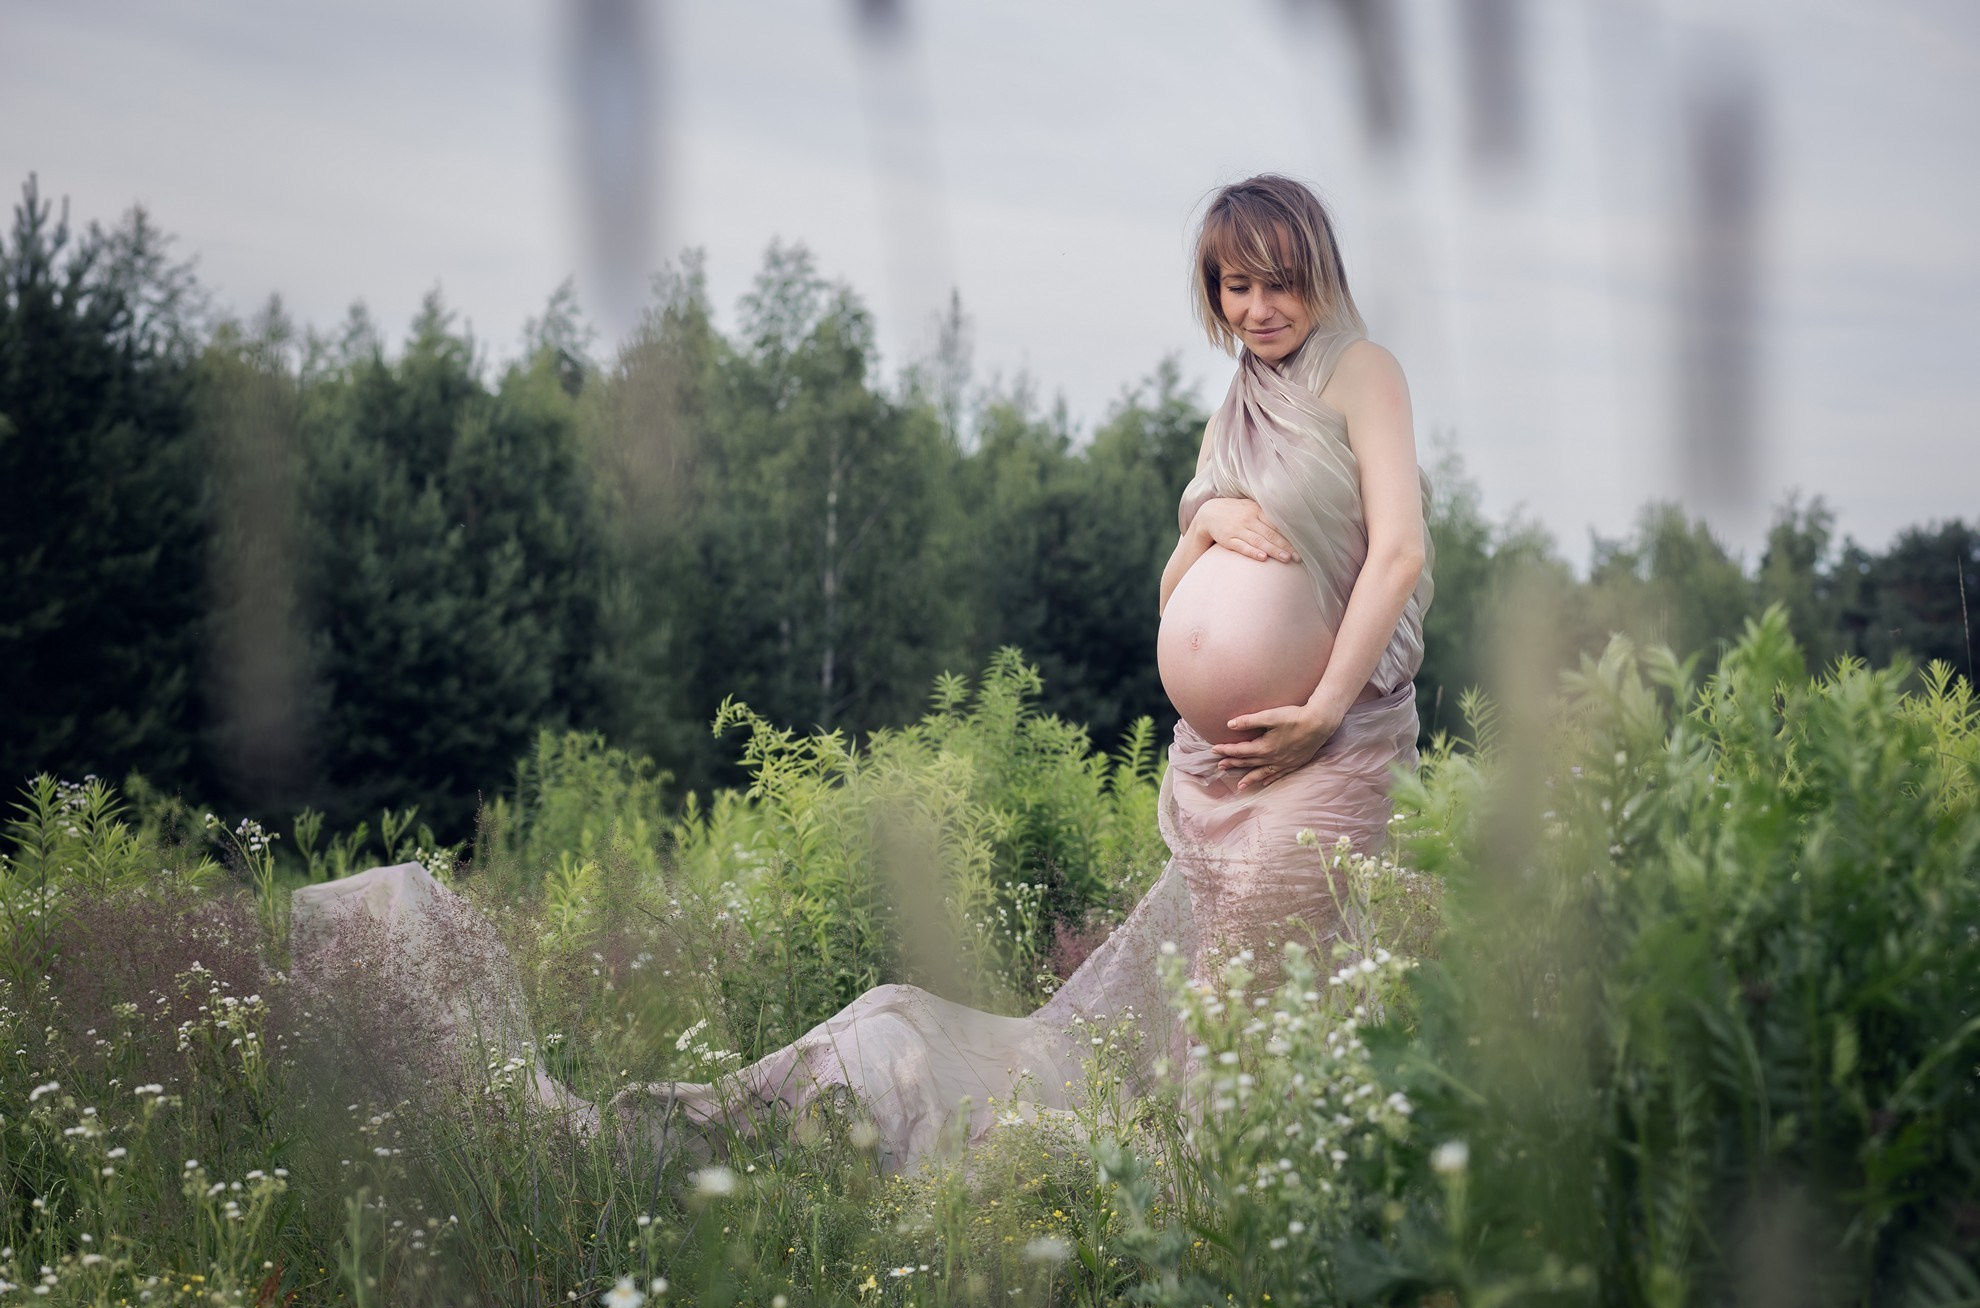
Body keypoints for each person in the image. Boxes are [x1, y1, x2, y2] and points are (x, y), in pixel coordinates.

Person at [291, 173, 1434, 1174]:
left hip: (1325, 744)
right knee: (1216, 997)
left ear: (1318, 273)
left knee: (1257, 995)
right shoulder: (1235, 403)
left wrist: (1323, 705)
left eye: (1279, 282)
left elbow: (1398, 551)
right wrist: (1223, 515)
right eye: (1236, 286)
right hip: (1224, 761)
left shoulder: (1361, 371)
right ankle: (1206, 1191)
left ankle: (1240, 1195)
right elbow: (1174, 575)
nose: (1260, 309)